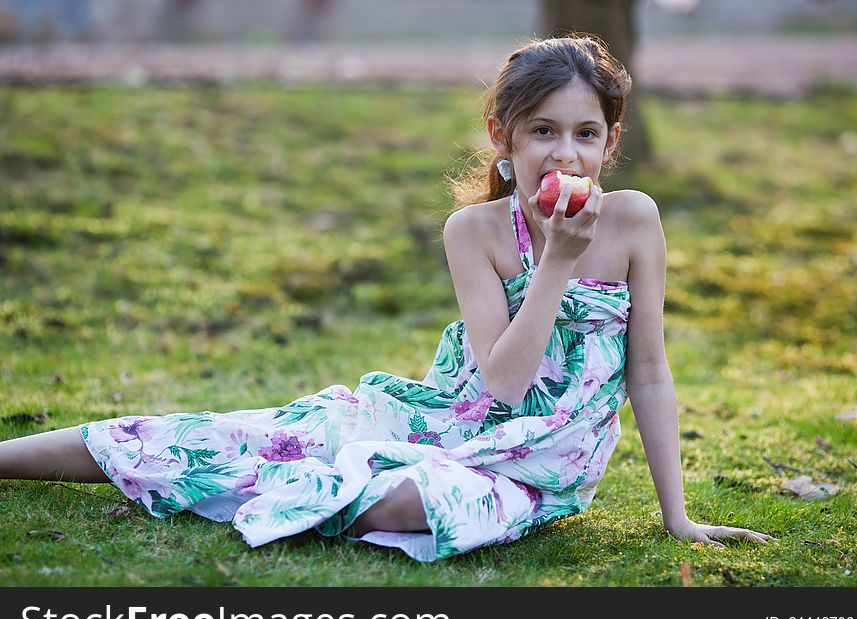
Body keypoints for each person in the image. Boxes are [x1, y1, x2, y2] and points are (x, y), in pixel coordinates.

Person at [0, 34, 776, 563]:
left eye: (583, 133)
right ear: (502, 137)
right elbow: (498, 382)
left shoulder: (635, 220)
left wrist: (679, 517)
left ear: (610, 142)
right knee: (249, 431)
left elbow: (649, 373)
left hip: (535, 468)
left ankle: (293, 482)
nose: (562, 152)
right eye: (541, 130)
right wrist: (554, 267)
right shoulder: (472, 231)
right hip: (441, 415)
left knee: (410, 501)